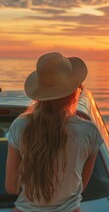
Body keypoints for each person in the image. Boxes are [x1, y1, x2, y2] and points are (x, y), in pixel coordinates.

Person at [5, 52, 103, 212]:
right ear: (74, 92)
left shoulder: (20, 126)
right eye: (80, 87)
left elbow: (11, 187)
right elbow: (81, 187)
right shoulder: (89, 132)